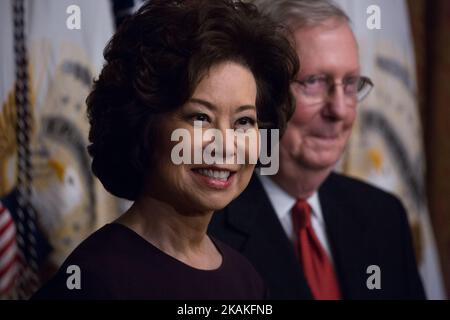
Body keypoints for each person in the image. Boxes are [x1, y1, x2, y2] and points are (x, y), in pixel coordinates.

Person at [32, 0, 299, 299]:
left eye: (244, 121)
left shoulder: (245, 278)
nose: (226, 145)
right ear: (143, 127)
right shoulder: (94, 281)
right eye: (200, 118)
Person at [209, 0, 426, 300]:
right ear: (261, 93)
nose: (339, 110)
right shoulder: (205, 229)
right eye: (314, 82)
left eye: (350, 83)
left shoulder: (384, 217)